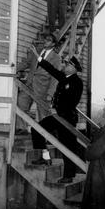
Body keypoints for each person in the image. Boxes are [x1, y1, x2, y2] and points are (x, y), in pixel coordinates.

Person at [30, 55, 83, 184]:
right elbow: (52, 70)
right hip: (57, 117)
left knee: (68, 147)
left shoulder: (77, 82)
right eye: (65, 64)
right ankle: (45, 157)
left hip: (67, 119)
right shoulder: (64, 78)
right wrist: (39, 58)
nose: (64, 66)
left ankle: (69, 175)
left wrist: (57, 111)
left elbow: (72, 102)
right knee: (36, 130)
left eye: (67, 64)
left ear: (74, 68)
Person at [15, 33, 61, 135]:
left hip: (43, 89)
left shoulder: (56, 58)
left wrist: (50, 93)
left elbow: (55, 78)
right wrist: (13, 69)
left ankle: (45, 135)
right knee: (20, 102)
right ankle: (21, 128)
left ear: (53, 44)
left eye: (48, 40)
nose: (45, 41)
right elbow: (26, 63)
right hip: (29, 85)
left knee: (42, 113)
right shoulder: (37, 51)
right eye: (45, 39)